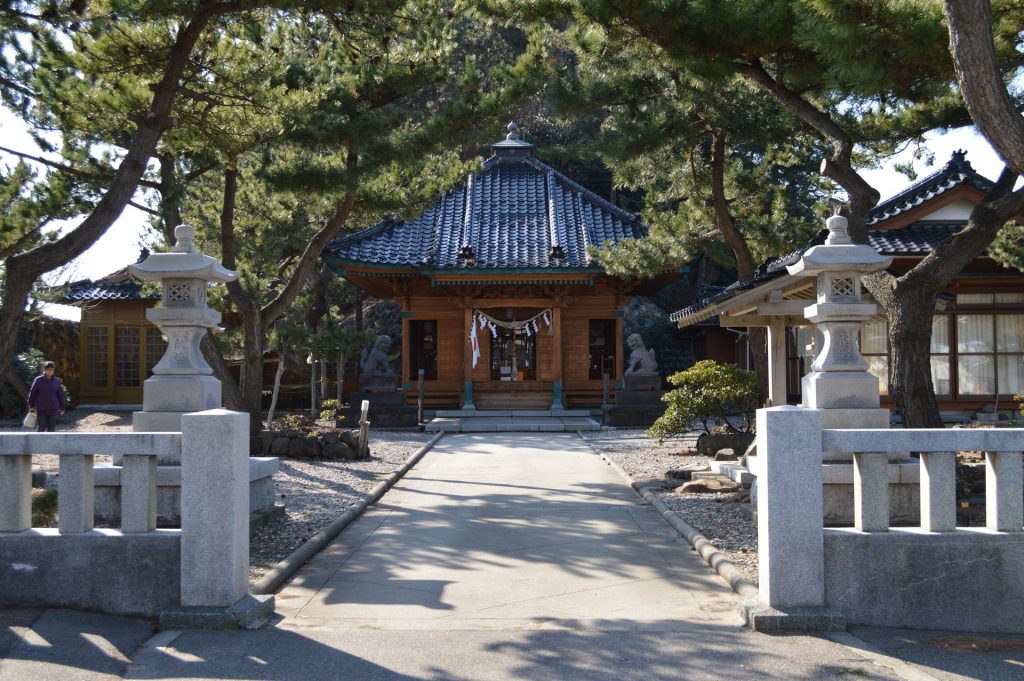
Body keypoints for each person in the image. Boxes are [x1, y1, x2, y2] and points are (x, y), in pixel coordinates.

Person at [28, 361, 66, 432]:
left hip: (53, 408)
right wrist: (31, 406)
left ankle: (50, 443)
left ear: (53, 370)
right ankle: (39, 443)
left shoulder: (57, 381)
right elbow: (33, 393)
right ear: (44, 370)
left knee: (51, 429)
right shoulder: (38, 380)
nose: (49, 371)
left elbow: (60, 395)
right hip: (41, 408)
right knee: (41, 428)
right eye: (47, 369)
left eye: (51, 369)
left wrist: (62, 407)